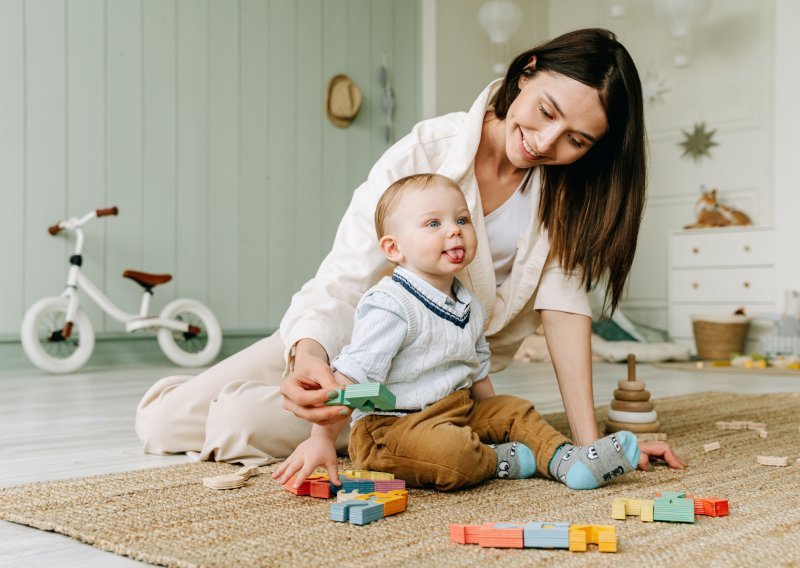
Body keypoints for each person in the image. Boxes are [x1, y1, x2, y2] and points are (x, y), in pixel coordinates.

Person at [135, 28, 684, 471]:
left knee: (237, 423)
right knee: (160, 424)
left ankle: (397, 430)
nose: (545, 142)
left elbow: (565, 313)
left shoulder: (568, 197)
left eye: (576, 140)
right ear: (527, 71)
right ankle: (261, 390)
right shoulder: (427, 151)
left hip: (429, 383)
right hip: (351, 337)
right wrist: (307, 356)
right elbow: (343, 280)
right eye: (545, 111)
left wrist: (589, 446)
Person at [273, 173, 642, 491]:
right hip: (391, 431)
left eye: (462, 220)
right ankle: (495, 460)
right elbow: (352, 379)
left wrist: (497, 421)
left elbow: (477, 372)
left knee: (516, 410)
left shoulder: (469, 303)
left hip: (455, 410)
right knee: (454, 452)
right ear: (393, 248)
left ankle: (568, 461)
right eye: (434, 224)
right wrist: (321, 439)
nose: (454, 230)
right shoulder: (391, 304)